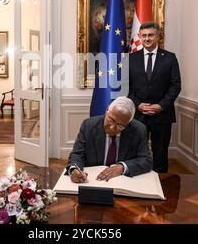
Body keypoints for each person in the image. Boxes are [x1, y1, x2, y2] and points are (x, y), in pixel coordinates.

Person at [128, 22, 181, 173]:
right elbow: (127, 87)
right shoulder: (131, 59)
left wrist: (161, 106)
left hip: (162, 116)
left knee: (160, 155)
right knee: (136, 153)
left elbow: (175, 86)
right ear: (139, 37)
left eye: (150, 35)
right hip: (138, 115)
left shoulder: (170, 58)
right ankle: (138, 186)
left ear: (158, 36)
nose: (147, 39)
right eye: (144, 35)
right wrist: (138, 105)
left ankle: (160, 188)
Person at [66, 96, 153, 183]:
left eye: (120, 125)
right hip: (93, 181)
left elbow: (146, 160)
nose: (112, 127)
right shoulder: (88, 126)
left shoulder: (139, 130)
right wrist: (73, 170)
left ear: (128, 123)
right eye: (111, 119)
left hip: (123, 182)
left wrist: (122, 167)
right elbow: (77, 154)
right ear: (107, 110)